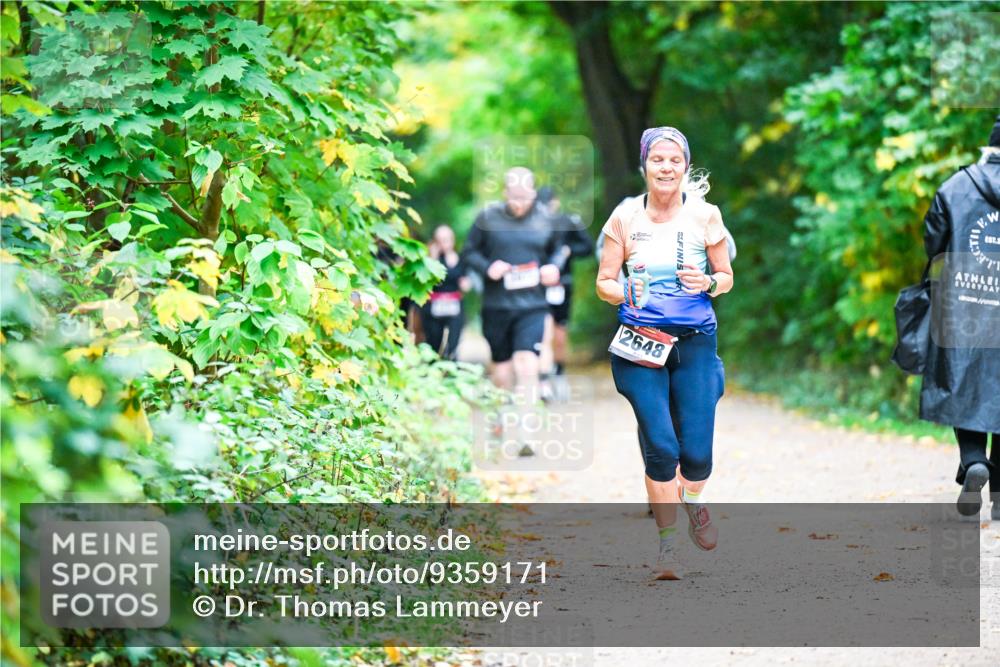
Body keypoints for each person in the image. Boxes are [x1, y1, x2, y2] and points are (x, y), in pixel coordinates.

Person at [596, 127, 734, 580]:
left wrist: (708, 282)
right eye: (658, 159)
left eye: (675, 160)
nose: (667, 167)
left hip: (694, 342)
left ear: (686, 166)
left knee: (696, 457)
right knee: (660, 447)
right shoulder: (624, 217)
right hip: (640, 343)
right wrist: (623, 292)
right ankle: (668, 549)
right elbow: (604, 281)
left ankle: (693, 500)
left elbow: (726, 276)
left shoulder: (705, 215)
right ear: (645, 166)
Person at [919, 116, 1000, 519]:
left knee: (965, 384)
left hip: (964, 301)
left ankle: (974, 460)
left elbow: (933, 240)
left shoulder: (957, 185)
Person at [462, 167, 565, 440]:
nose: (519, 201)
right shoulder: (487, 218)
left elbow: (559, 251)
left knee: (527, 362)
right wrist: (488, 267)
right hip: (496, 306)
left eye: (524, 195)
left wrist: (553, 267)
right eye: (514, 195)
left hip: (532, 306)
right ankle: (500, 416)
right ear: (505, 192)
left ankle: (526, 429)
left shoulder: (546, 219)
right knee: (502, 371)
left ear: (533, 193)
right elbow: (469, 252)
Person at [536, 186, 594, 385]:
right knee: (543, 327)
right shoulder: (531, 224)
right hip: (538, 284)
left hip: (562, 283)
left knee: (559, 329)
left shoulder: (568, 221)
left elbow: (587, 247)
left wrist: (568, 250)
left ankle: (558, 369)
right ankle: (545, 371)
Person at [422, 225, 471, 360]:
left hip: (454, 306)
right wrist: (432, 257)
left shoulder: (461, 259)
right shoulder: (430, 260)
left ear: (452, 240)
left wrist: (466, 284)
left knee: (453, 344)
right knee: (433, 344)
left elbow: (466, 279)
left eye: (446, 239)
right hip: (433, 306)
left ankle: (451, 368)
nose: (444, 243)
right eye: (440, 240)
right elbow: (425, 281)